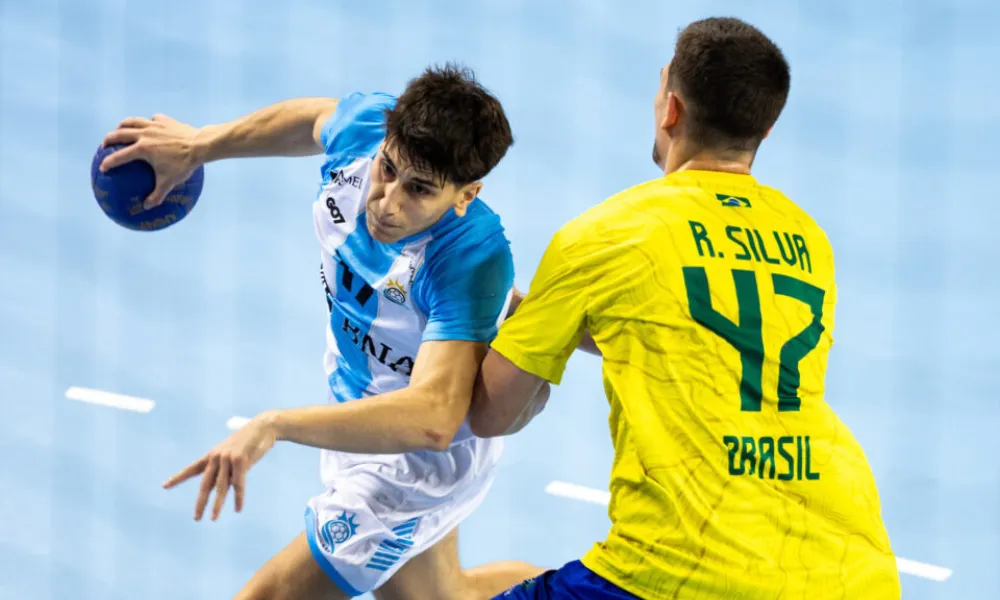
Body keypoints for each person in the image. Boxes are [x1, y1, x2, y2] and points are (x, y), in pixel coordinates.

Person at [468, 17, 902, 600]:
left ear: (671, 109)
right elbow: (711, 348)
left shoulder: (604, 235)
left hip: (679, 570)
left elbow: (491, 413)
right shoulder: (808, 240)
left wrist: (519, 327)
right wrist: (562, 323)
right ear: (766, 128)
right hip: (851, 567)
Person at [99, 64, 543, 599]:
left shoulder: (470, 256)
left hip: (416, 462)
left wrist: (274, 425)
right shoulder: (366, 132)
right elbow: (313, 119)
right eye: (389, 170)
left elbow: (433, 418)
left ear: (465, 194)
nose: (388, 200)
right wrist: (197, 145)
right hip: (357, 413)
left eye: (420, 190)